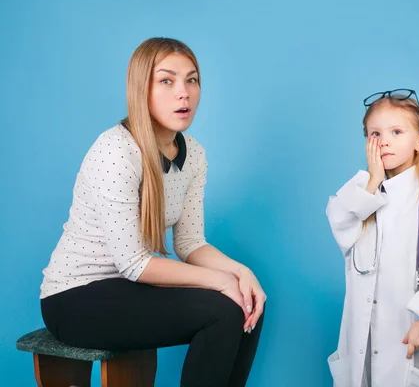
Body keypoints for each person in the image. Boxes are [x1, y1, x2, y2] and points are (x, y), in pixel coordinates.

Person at [39, 37, 266, 387]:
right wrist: (221, 282)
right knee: (223, 309)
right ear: (140, 89)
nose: (184, 93)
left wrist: (240, 273)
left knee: (247, 301)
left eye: (192, 79)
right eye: (167, 80)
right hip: (74, 298)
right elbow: (134, 263)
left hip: (127, 290)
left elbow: (190, 242)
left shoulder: (194, 154)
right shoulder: (116, 152)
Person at [325, 89, 419, 386]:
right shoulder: (361, 193)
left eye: (396, 131)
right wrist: (373, 179)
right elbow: (340, 223)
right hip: (361, 339)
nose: (384, 140)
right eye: (375, 133)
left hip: (408, 336)